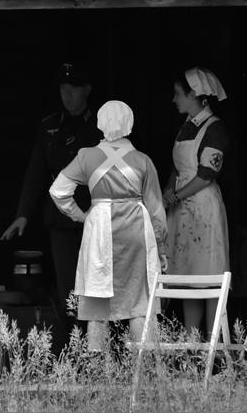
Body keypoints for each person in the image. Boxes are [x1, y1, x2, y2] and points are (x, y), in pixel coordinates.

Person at [49, 101, 168, 351]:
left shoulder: (86, 156)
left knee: (97, 305)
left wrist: (80, 216)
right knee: (139, 301)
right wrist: (162, 247)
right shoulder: (142, 160)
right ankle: (144, 372)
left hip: (100, 228)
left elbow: (58, 191)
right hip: (137, 229)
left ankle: (98, 373)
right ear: (130, 124)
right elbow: (156, 210)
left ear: (100, 124)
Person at [1, 62, 102, 342]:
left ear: (87, 90)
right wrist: (23, 213)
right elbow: (36, 171)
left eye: (72, 89)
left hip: (94, 212)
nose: (66, 95)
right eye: (62, 89)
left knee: (97, 283)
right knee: (68, 286)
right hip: (60, 216)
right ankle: (74, 343)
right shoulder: (50, 126)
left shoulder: (100, 126)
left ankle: (100, 347)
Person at [162, 67, 231, 337]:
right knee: (189, 278)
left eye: (179, 94)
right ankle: (192, 346)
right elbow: (177, 166)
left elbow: (206, 175)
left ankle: (213, 346)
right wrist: (169, 187)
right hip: (183, 209)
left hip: (203, 208)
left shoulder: (215, 129)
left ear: (194, 94)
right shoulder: (186, 127)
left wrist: (177, 195)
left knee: (209, 277)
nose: (174, 99)